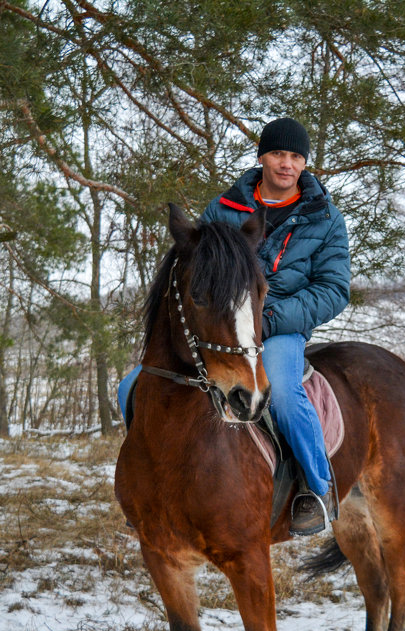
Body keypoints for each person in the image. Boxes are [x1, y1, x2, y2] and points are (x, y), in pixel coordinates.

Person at [120, 117, 350, 536]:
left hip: (280, 328)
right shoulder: (224, 209)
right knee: (132, 384)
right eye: (278, 154)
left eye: (296, 156)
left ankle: (315, 488)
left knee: (280, 392)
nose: (287, 164)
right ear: (262, 156)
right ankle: (151, 480)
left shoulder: (326, 219)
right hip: (223, 329)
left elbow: (334, 289)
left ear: (304, 164)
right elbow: (196, 270)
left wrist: (271, 317)